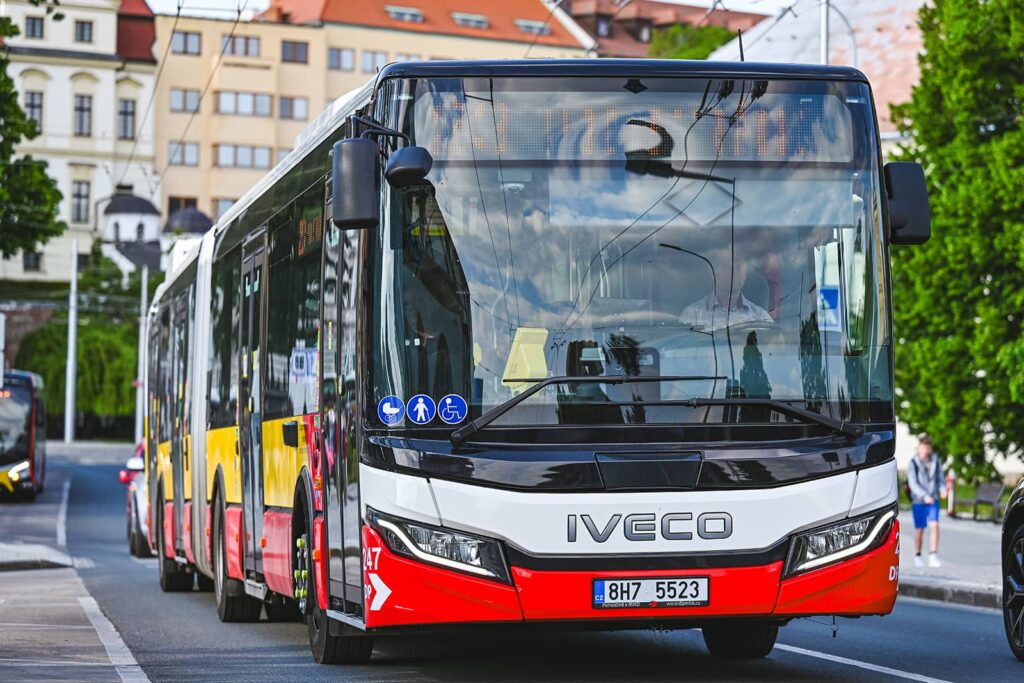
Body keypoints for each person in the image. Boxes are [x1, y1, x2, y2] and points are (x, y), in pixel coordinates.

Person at [679, 247, 773, 330]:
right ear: (712, 272)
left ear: (746, 272)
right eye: (725, 266)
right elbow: (682, 348)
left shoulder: (761, 318)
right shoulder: (693, 316)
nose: (733, 271)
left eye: (739, 266)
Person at [907, 434, 948, 568]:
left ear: (930, 449)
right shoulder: (913, 463)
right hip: (919, 501)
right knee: (920, 528)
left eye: (927, 448)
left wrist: (942, 489)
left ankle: (933, 554)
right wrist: (924, 496)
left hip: (933, 500)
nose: (925, 450)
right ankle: (918, 555)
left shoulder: (935, 461)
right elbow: (913, 484)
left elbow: (940, 479)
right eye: (923, 447)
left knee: (934, 525)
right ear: (919, 448)